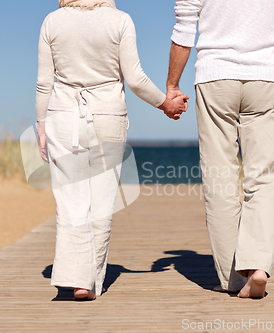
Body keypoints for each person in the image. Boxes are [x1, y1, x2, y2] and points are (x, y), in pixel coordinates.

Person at [35, 0, 188, 301]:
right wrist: (165, 103)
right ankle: (88, 282)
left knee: (70, 202)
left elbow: (43, 83)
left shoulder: (52, 22)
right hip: (108, 116)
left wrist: (41, 127)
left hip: (62, 115)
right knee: (102, 199)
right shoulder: (120, 20)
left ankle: (74, 275)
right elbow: (135, 78)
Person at [166, 0, 274, 298]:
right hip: (266, 78)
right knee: (264, 176)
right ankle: (257, 265)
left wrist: (172, 85)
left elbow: (183, 32)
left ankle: (232, 278)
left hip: (214, 77)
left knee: (221, 176)